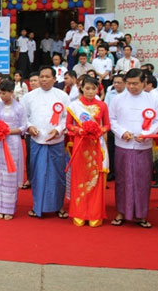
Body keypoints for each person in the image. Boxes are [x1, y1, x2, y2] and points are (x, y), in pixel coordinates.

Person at [109, 69, 158, 228]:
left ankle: (141, 214)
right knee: (122, 179)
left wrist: (146, 134)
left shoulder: (153, 99)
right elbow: (112, 120)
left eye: (135, 84)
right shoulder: (118, 99)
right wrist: (122, 132)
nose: (131, 87)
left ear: (144, 83)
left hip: (143, 146)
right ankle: (121, 212)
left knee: (142, 180)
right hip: (123, 145)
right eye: (129, 83)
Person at [21, 66, 70, 218]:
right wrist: (30, 127)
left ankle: (58, 206)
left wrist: (58, 130)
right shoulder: (29, 97)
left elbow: (67, 118)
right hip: (37, 140)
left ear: (54, 79)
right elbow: (23, 117)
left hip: (56, 140)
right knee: (38, 174)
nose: (44, 79)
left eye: (47, 77)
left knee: (57, 175)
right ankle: (38, 206)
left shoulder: (62, 96)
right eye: (41, 76)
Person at [66, 76, 110, 227]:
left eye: (93, 88)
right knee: (80, 177)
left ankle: (94, 214)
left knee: (95, 178)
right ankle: (79, 213)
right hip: (81, 144)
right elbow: (68, 125)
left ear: (98, 89)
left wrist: (99, 131)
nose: (91, 91)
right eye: (87, 88)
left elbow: (107, 125)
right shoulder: (74, 106)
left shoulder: (102, 105)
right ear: (81, 89)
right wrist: (79, 130)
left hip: (97, 144)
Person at [0, 80, 27, 220]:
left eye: (4, 93)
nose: (1, 95)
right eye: (0, 93)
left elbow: (24, 126)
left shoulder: (19, 107)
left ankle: (9, 209)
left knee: (10, 174)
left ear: (11, 92)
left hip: (12, 142)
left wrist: (9, 131)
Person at [104, 73, 126, 182]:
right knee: (112, 150)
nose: (116, 85)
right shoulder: (110, 93)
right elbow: (106, 108)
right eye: (115, 82)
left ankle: (123, 171)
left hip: (125, 126)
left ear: (125, 83)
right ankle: (112, 171)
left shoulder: (128, 95)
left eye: (119, 82)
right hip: (112, 124)